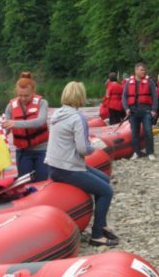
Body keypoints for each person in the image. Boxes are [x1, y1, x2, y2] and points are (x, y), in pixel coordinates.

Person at [45, 81, 118, 247]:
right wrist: (94, 147)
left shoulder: (58, 114)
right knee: (106, 191)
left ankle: (102, 222)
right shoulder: (78, 118)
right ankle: (97, 234)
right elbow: (83, 148)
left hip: (54, 166)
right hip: (68, 168)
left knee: (104, 180)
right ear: (80, 96)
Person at [3, 71, 49, 179]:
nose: (23, 99)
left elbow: (40, 122)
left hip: (42, 150)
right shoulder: (10, 107)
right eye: (20, 95)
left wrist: (15, 123)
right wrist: (3, 130)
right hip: (23, 151)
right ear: (16, 92)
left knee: (41, 179)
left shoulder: (42, 103)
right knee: (25, 182)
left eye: (26, 95)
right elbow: (7, 128)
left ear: (33, 91)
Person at [122, 62, 158, 161]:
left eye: (144, 70)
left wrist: (154, 110)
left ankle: (150, 152)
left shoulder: (149, 82)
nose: (144, 71)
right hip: (133, 112)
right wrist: (126, 109)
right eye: (142, 70)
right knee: (134, 133)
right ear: (136, 70)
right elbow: (124, 97)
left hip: (146, 111)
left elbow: (155, 96)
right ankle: (136, 152)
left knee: (148, 131)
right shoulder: (129, 82)